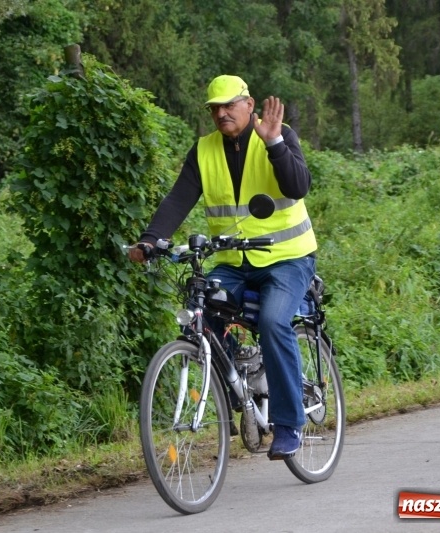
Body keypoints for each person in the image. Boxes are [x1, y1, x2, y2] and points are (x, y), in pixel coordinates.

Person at [129, 74, 317, 460]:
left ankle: (288, 425)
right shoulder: (203, 151)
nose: (221, 113)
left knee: (272, 321)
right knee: (200, 314)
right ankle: (240, 385)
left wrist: (276, 143)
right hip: (234, 262)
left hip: (288, 258)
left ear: (249, 105)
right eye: (215, 107)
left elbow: (298, 186)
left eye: (229, 105)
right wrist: (150, 240)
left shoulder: (278, 137)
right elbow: (178, 199)